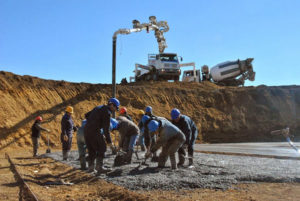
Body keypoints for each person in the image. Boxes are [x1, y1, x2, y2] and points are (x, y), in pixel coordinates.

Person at [84, 97, 120, 174]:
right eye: (115, 108)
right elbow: (106, 129)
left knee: (91, 149)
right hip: (94, 130)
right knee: (102, 147)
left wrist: (94, 122)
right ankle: (99, 167)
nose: (115, 110)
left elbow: (86, 115)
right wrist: (109, 142)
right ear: (112, 105)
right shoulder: (107, 113)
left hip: (86, 130)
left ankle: (91, 168)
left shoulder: (99, 107)